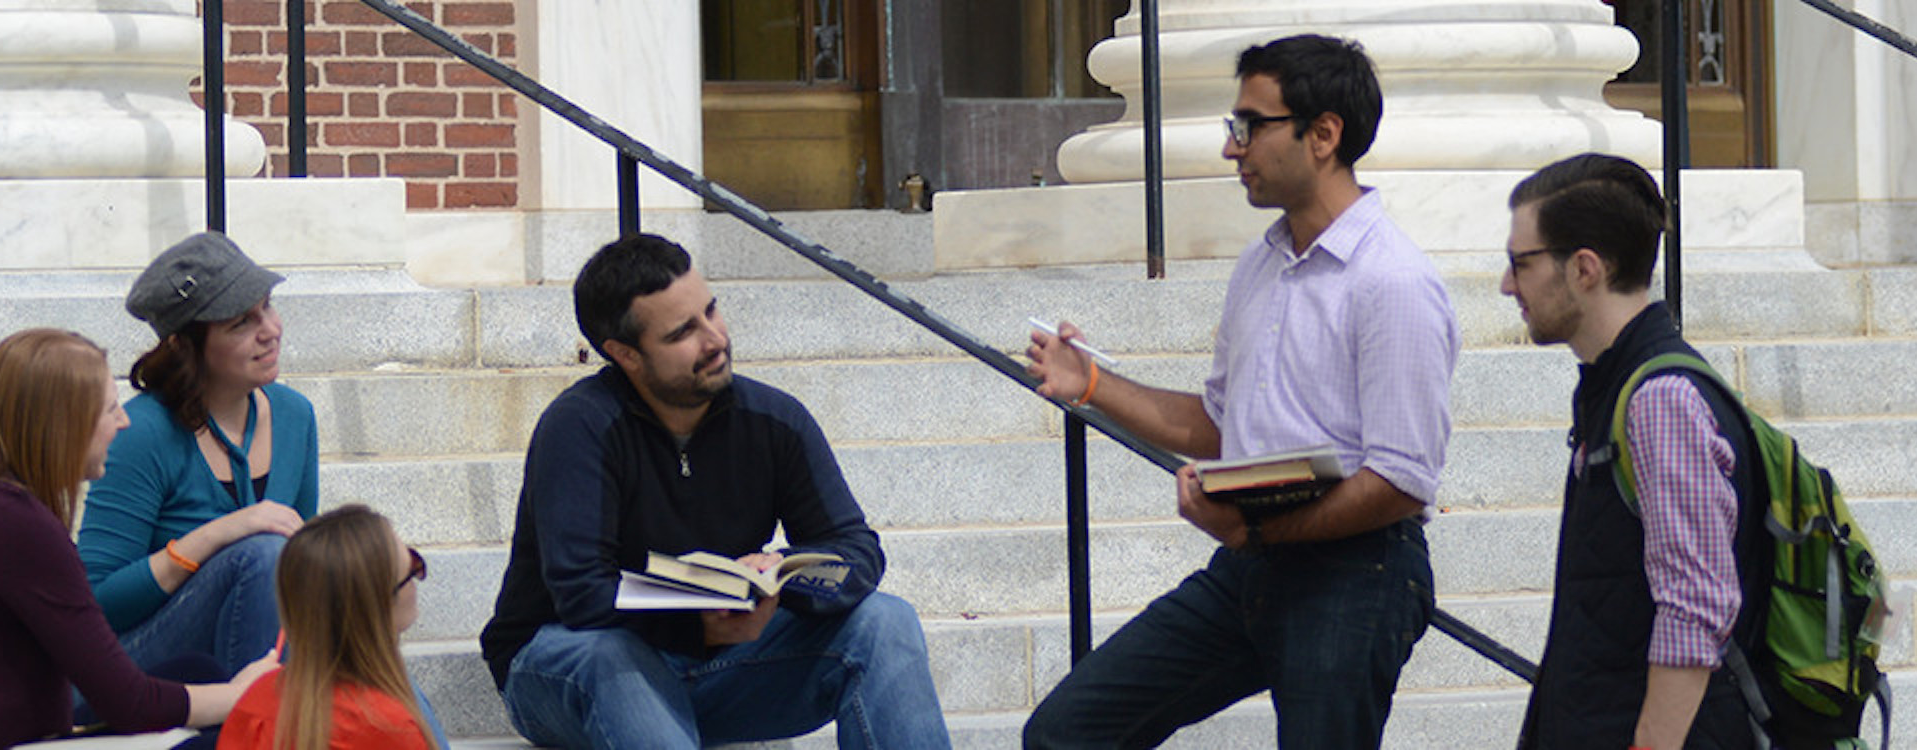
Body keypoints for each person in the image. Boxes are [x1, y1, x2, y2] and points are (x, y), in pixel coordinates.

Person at [1020, 34, 1459, 748]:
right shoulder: (1263, 264)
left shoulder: (1393, 281)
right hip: (1253, 563)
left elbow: (1403, 478)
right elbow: (1220, 423)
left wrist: (1258, 529)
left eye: (1250, 126)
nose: (1233, 148)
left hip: (1358, 571)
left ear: (1323, 134)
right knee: (1067, 732)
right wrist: (1091, 382)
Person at [477, 234, 950, 749]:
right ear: (625, 354)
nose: (715, 340)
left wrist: (781, 574)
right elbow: (583, 595)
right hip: (565, 669)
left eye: (711, 311)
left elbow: (856, 551)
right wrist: (700, 612)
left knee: (886, 620)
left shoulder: (775, 420)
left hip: (721, 668)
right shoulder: (580, 427)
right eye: (683, 332)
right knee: (611, 652)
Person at [0, 328, 275, 749]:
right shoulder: (12, 525)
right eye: (109, 410)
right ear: (62, 425)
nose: (125, 421)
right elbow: (129, 703)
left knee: (195, 671)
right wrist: (241, 696)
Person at [1501, 153, 1759, 748]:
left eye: (1521, 263)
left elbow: (1695, 612)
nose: (1507, 283)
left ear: (1584, 268)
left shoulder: (1659, 401)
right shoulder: (1616, 385)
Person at [79, 232, 319, 681]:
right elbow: (98, 602)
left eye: (267, 305)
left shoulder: (294, 416)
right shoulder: (141, 432)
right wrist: (222, 533)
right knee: (264, 554)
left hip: (260, 648)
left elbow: (301, 566)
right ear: (187, 346)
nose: (270, 330)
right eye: (241, 323)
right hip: (137, 665)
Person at [219, 506, 446, 750]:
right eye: (413, 568)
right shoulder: (388, 727)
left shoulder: (254, 704)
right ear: (377, 607)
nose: (418, 580)